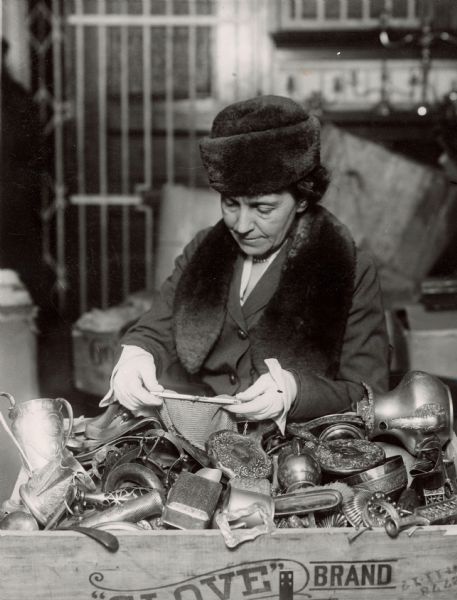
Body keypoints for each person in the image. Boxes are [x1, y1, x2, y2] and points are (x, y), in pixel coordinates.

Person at [101, 94, 389, 437]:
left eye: (262, 209)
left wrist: (295, 393)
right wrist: (136, 357)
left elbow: (369, 396)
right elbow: (153, 331)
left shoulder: (351, 268)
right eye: (230, 204)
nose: (241, 224)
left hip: (292, 447)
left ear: (302, 198)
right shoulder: (202, 249)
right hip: (197, 438)